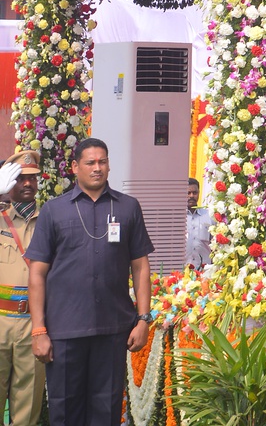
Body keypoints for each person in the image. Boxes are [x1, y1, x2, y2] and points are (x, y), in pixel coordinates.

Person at [26, 136, 152, 426]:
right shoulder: (54, 210)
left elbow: (140, 266)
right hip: (64, 330)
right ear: (75, 167)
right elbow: (37, 273)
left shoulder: (127, 207)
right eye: (90, 162)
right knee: (65, 411)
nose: (97, 168)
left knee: (106, 411)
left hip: (113, 329)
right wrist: (38, 329)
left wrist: (144, 319)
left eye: (102, 162)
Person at [0, 152, 44, 426]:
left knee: (27, 407)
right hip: (0, 320)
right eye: (20, 178)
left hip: (34, 323)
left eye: (32, 178)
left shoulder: (50, 219)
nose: (27, 183)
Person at [186, 177, 210, 271]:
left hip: (204, 271)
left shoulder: (209, 216)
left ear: (199, 193)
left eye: (194, 193)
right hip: (181, 272)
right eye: (188, 193)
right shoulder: (177, 217)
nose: (191, 196)